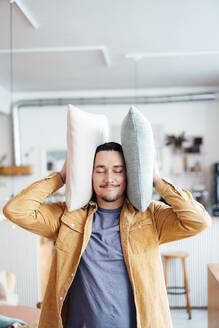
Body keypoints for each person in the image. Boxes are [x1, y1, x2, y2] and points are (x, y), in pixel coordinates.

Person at [3, 142, 211, 328]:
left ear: (128, 175)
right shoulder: (68, 216)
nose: (109, 179)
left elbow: (198, 221)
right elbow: (15, 210)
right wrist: (60, 177)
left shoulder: (150, 216)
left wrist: (155, 178)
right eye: (100, 170)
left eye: (117, 171)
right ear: (89, 175)